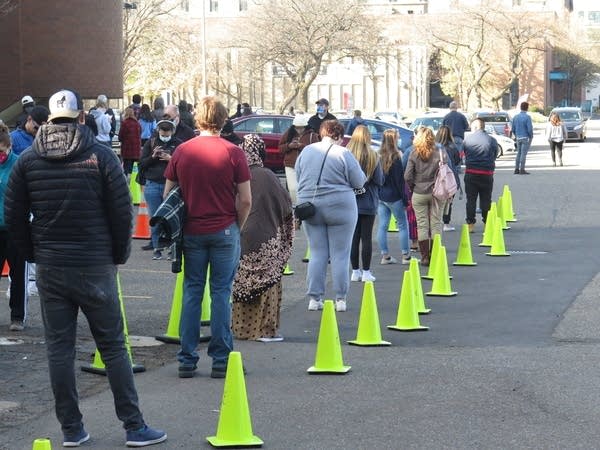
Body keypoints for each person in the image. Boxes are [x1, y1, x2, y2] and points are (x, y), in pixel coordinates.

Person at [4, 88, 166, 447]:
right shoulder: (100, 157)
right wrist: (118, 255)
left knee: (58, 349)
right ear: (81, 117)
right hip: (94, 264)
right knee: (112, 347)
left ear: (48, 120)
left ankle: (72, 429)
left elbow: (14, 217)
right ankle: (133, 426)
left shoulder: (29, 161)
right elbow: (121, 212)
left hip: (52, 265)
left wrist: (34, 252)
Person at [163, 96, 251, 379]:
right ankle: (221, 359)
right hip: (224, 228)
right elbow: (246, 200)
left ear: (198, 119)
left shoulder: (182, 151)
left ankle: (187, 359)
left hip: (192, 230)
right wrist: (235, 225)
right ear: (224, 119)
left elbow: (168, 196)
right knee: (221, 293)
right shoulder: (234, 153)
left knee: (192, 292)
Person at [295, 120, 366, 312]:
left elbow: (299, 177)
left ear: (321, 133)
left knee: (317, 252)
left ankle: (314, 298)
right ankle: (340, 299)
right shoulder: (344, 153)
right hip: (341, 205)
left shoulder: (307, 151)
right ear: (339, 136)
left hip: (310, 205)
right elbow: (359, 181)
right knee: (340, 254)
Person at [231, 134, 293, 342]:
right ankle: (265, 330)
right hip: (266, 236)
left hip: (239, 234)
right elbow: (285, 205)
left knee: (243, 282)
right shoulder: (267, 176)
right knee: (268, 281)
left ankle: (242, 329)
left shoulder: (236, 174)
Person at [404, 127, 448, 266]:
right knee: (436, 223)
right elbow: (447, 172)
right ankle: (435, 255)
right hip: (437, 193)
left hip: (419, 192)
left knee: (422, 225)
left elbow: (407, 176)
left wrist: (413, 186)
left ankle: (424, 257)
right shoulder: (440, 152)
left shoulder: (414, 153)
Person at [139, 119, 182, 260]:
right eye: (162, 134)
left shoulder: (178, 144)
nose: (164, 136)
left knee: (171, 218)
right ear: (158, 131)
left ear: (172, 132)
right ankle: (156, 248)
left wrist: (171, 159)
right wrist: (153, 156)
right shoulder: (150, 143)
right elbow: (142, 164)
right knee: (155, 218)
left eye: (167, 133)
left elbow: (184, 164)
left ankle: (171, 248)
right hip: (152, 185)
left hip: (172, 186)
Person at [347, 125, 383, 283]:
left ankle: (355, 271)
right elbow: (380, 180)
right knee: (366, 238)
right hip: (368, 202)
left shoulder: (347, 154)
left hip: (350, 201)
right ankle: (367, 272)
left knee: (353, 238)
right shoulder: (373, 155)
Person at [0, 123, 27, 332]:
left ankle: (17, 316)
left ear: (8, 147)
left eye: (1, 150)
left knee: (17, 275)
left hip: (15, 228)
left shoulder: (18, 165)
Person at [377, 128, 410, 266]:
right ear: (394, 139)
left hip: (381, 195)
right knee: (402, 224)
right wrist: (404, 198)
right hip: (394, 196)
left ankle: (385, 255)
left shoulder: (378, 155)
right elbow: (399, 181)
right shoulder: (396, 157)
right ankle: (405, 255)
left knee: (382, 226)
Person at [462, 118, 497, 233]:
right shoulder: (491, 140)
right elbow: (495, 154)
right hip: (486, 173)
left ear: (476, 127)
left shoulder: (467, 140)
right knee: (486, 199)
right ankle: (487, 223)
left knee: (471, 199)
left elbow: (463, 154)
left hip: (471, 172)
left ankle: (470, 224)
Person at [278, 114, 319, 206]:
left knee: (304, 188)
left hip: (306, 165)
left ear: (306, 126)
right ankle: (296, 206)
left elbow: (317, 150)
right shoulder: (289, 133)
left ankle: (304, 205)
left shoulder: (313, 135)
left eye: (301, 128)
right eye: (297, 128)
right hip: (290, 165)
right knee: (292, 188)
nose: (299, 130)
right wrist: (289, 146)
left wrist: (301, 146)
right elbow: (280, 148)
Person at [435, 125, 462, 232]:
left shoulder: (435, 147)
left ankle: (437, 220)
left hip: (438, 177)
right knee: (449, 200)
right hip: (451, 177)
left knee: (436, 200)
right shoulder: (453, 147)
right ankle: (446, 223)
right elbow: (457, 161)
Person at [118, 106, 142, 177]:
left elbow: (120, 136)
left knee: (126, 167)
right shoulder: (137, 123)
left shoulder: (124, 123)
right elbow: (140, 133)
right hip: (136, 150)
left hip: (127, 150)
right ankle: (135, 181)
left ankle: (126, 182)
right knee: (135, 168)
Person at [512, 101, 533, 174]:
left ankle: (516, 169)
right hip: (525, 137)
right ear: (527, 108)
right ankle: (522, 169)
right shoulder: (527, 117)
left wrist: (516, 134)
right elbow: (529, 129)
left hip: (518, 137)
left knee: (519, 153)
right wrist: (531, 136)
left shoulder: (515, 117)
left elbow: (513, 129)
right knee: (523, 154)